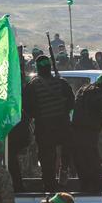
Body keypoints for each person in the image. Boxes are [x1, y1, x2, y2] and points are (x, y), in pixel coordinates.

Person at [22, 55, 75, 191]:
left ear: (38, 68)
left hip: (45, 128)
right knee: (66, 151)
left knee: (47, 160)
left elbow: (27, 108)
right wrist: (61, 113)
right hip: (63, 126)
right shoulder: (62, 83)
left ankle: (50, 186)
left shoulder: (32, 86)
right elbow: (71, 102)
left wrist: (40, 116)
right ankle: (64, 170)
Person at [72, 72, 102, 192]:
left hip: (75, 134)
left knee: (82, 165)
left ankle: (85, 190)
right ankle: (96, 192)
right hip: (89, 135)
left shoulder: (83, 89)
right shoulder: (98, 94)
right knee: (94, 165)